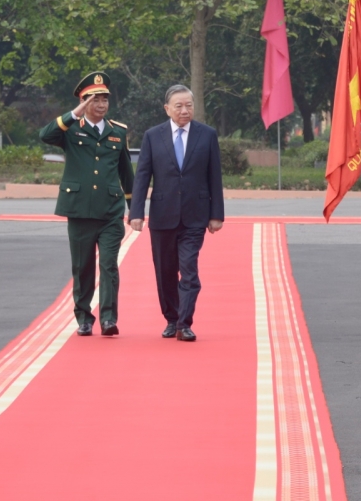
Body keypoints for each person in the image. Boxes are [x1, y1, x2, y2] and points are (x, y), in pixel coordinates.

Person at [40, 72, 134, 337]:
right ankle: (84, 317)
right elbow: (45, 135)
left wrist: (134, 210)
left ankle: (108, 318)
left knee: (109, 265)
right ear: (83, 102)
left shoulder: (118, 132)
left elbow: (127, 173)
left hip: (110, 212)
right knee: (82, 267)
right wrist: (74, 113)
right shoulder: (71, 130)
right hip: (79, 210)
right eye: (94, 100)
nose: (101, 105)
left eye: (104, 99)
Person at [129, 84, 224, 342]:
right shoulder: (152, 136)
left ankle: (185, 323)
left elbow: (214, 176)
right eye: (179, 106)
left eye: (189, 105)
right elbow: (142, 177)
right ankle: (171, 318)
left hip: (195, 215)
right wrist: (136, 212)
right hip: (162, 215)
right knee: (165, 271)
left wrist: (217, 214)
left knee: (189, 270)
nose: (185, 110)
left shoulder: (207, 135)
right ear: (167, 109)